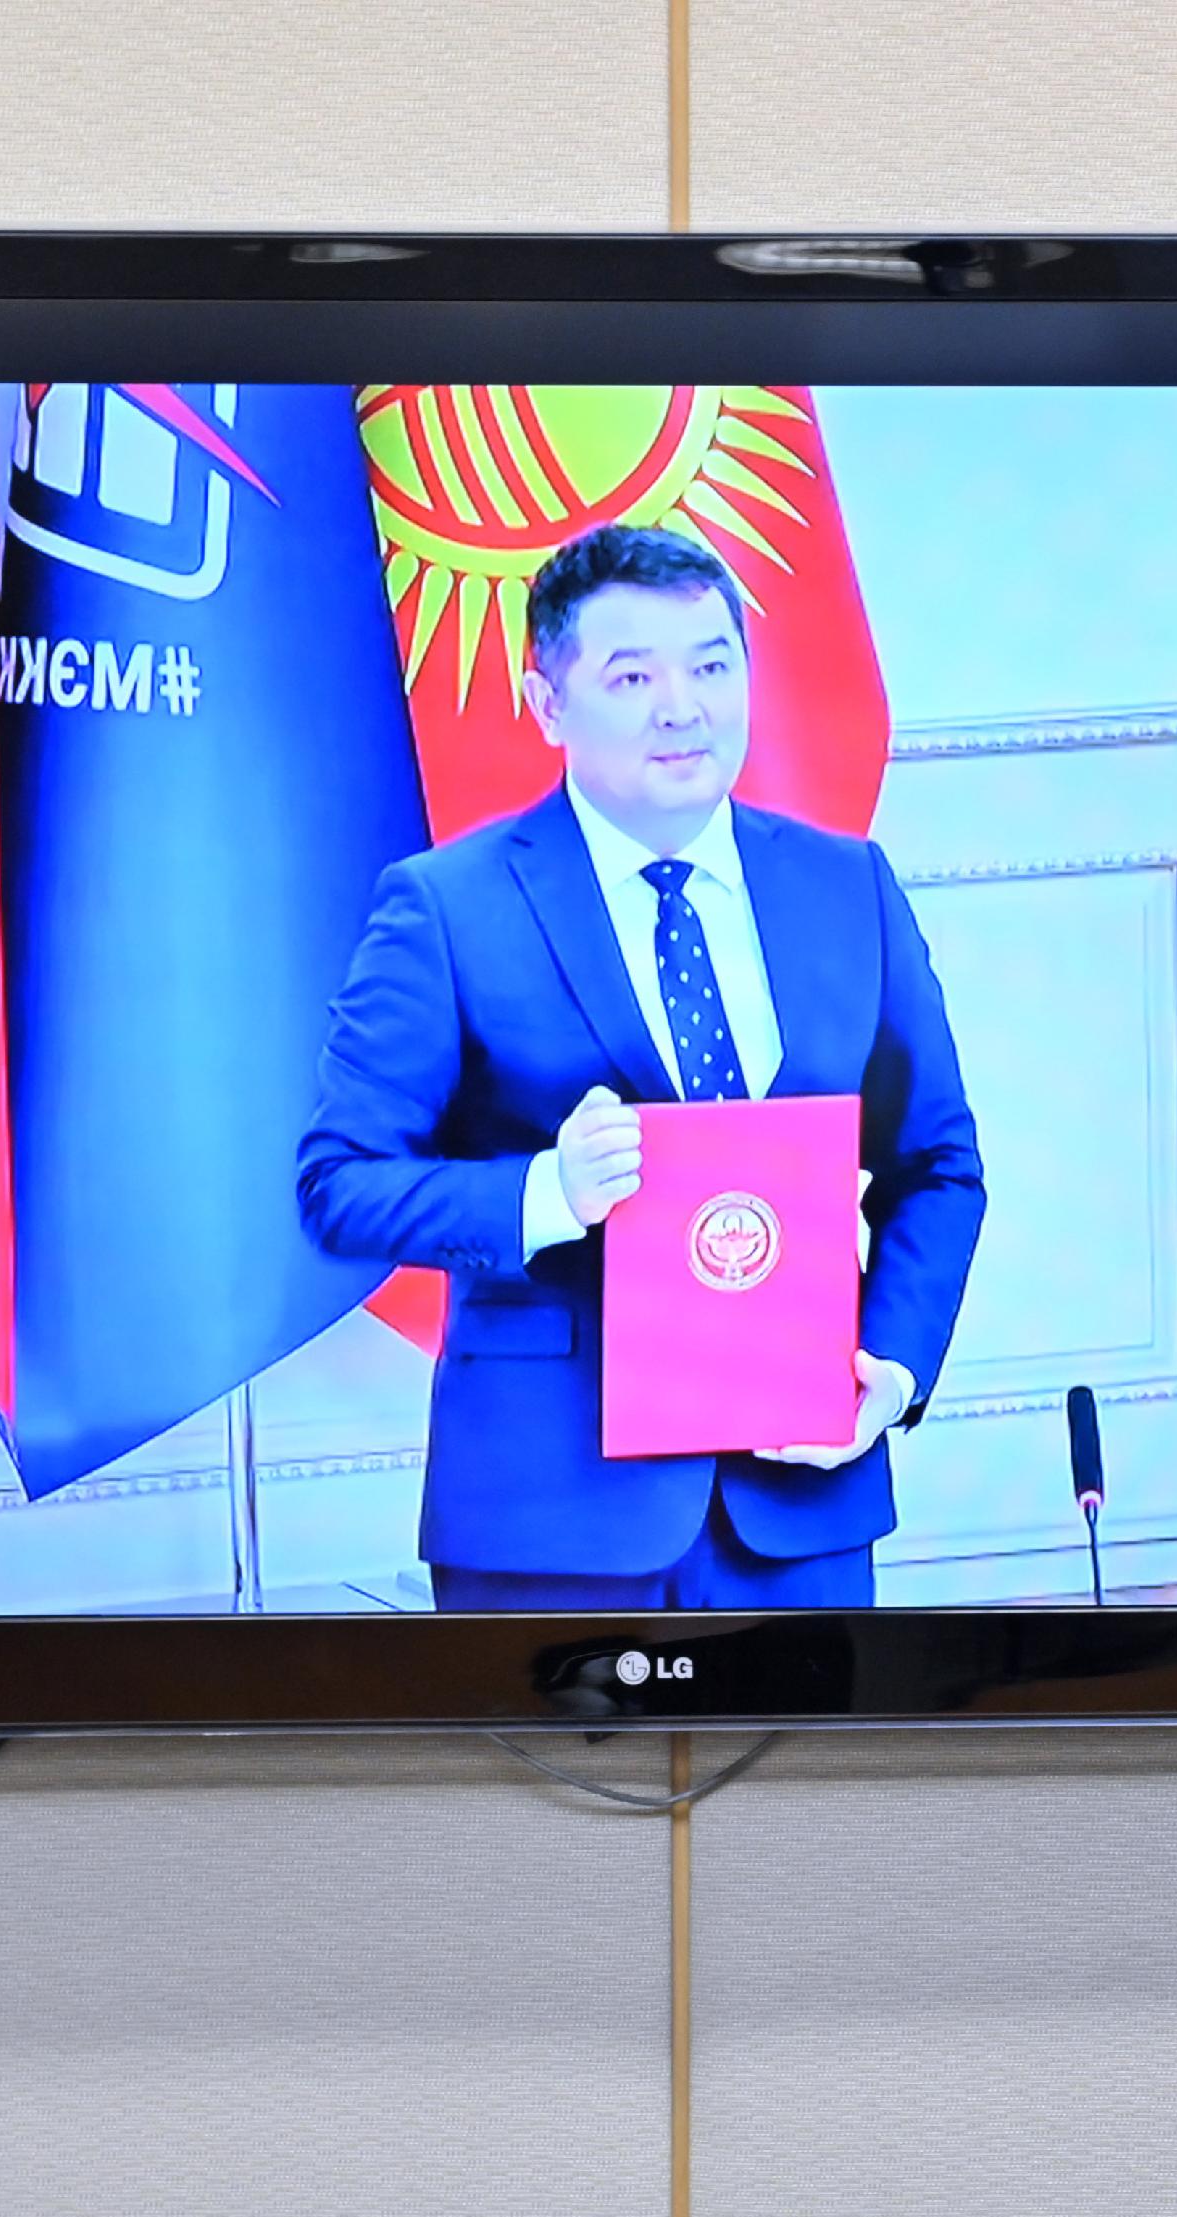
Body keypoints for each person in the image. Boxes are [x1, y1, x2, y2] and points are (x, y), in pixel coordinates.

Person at [300, 522, 982, 1610]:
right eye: (633, 675)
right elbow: (339, 1187)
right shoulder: (445, 908)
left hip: (799, 1502)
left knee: (801, 1785)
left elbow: (938, 1165)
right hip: (550, 1517)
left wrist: (887, 1374)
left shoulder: (847, 886)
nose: (684, 706)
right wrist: (544, 1192)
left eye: (713, 665)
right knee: (559, 1787)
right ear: (547, 703)